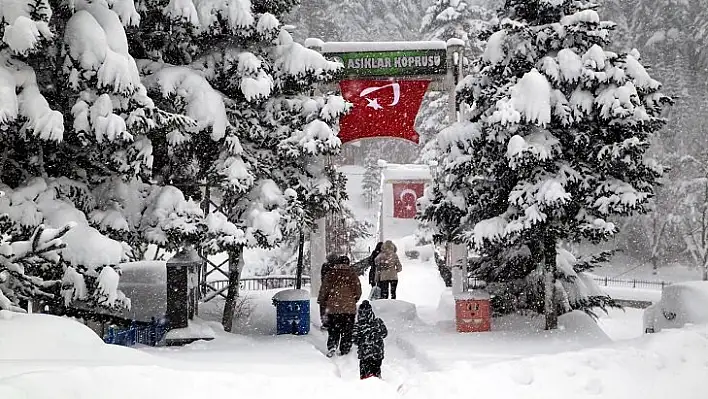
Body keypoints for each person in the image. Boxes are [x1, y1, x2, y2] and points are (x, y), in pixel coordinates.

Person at [317, 255, 362, 357]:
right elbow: (358, 289)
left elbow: (324, 289)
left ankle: (332, 345)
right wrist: (353, 299)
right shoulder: (352, 274)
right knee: (347, 329)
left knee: (333, 328)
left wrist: (323, 300)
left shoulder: (331, 273)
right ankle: (345, 348)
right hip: (348, 308)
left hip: (333, 307)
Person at [353, 300, 388, 379]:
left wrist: (365, 338)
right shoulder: (377, 322)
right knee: (374, 373)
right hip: (375, 353)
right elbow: (384, 333)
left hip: (367, 354)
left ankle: (371, 384)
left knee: (366, 376)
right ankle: (376, 382)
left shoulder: (359, 325)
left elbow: (354, 339)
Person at [318, 254, 339, 329]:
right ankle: (334, 321)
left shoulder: (325, 266)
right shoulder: (338, 268)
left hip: (326, 289)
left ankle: (326, 322)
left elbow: (323, 278)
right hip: (336, 290)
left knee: (324, 305)